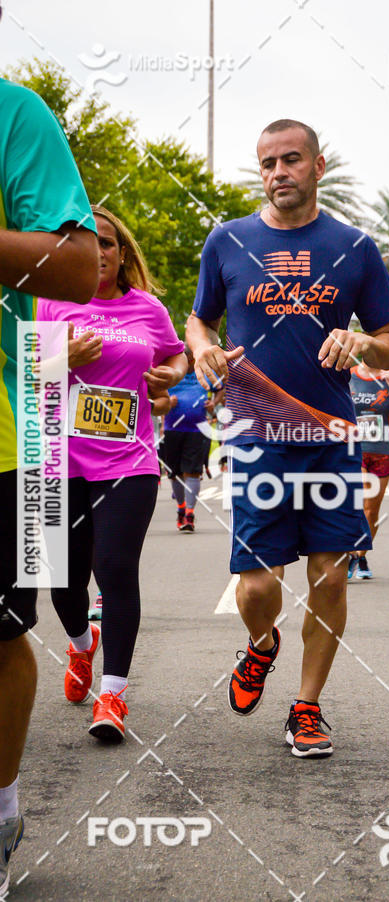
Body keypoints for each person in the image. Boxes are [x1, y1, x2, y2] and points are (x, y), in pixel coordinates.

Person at [187, 119, 389, 757]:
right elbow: (200, 320)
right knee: (256, 585)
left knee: (331, 579)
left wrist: (361, 341)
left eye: (291, 160)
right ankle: (260, 645)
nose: (278, 172)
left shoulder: (355, 246)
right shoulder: (227, 241)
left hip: (332, 436)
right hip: (255, 434)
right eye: (267, 163)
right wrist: (202, 350)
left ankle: (307, 708)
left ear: (318, 166)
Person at [0, 59, 99, 894]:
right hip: (48, 445)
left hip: (15, 438)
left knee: (1, 633)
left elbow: (75, 267)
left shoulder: (13, 113)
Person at [37, 205, 186, 742]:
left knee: (116, 569)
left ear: (122, 254)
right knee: (62, 581)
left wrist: (170, 376)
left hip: (129, 462)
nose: (97, 251)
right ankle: (80, 647)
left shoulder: (147, 308)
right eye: (85, 241)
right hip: (56, 461)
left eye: (106, 242)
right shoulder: (46, 302)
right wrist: (62, 359)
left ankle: (113, 695)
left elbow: (176, 356)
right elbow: (24, 379)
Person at [348, 363, 389, 579]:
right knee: (360, 502)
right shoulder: (350, 373)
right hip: (354, 448)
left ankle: (359, 554)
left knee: (371, 510)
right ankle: (351, 552)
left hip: (382, 449)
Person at [162, 346, 222, 531]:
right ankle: (181, 508)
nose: (189, 363)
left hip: (198, 430)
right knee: (175, 473)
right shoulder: (170, 372)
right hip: (172, 429)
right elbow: (154, 390)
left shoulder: (203, 372)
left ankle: (189, 513)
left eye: (190, 360)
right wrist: (166, 400)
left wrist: (214, 403)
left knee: (193, 471)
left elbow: (221, 387)